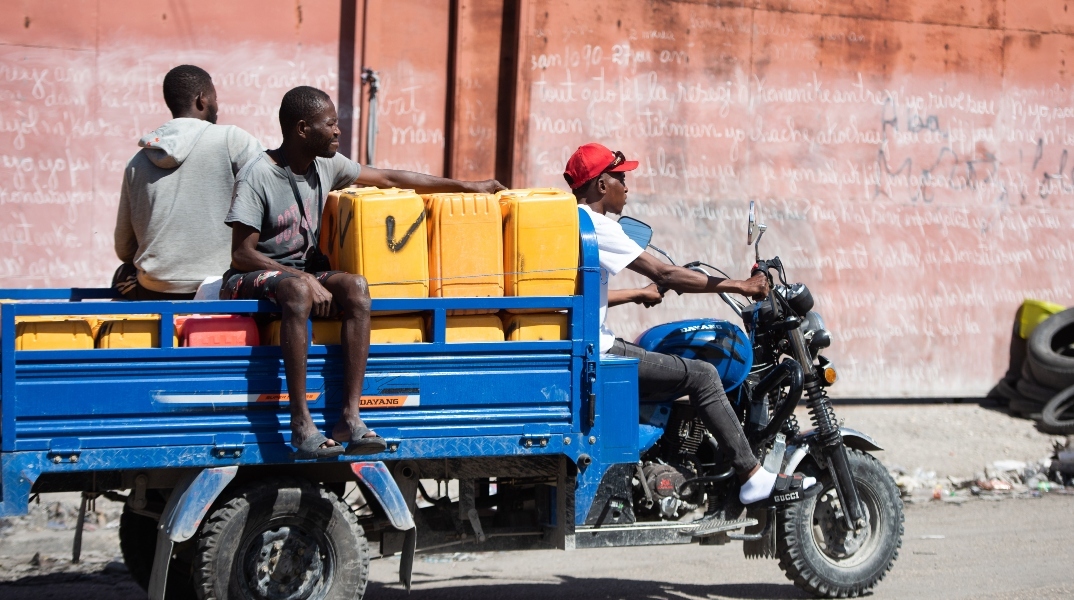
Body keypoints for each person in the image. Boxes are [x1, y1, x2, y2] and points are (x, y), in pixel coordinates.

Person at [223, 85, 505, 459]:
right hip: (251, 277)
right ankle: (300, 422)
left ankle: (349, 417)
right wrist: (302, 278)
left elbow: (390, 178)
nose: (338, 131)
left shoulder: (326, 164)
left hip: (299, 277)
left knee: (356, 286)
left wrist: (468, 187)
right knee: (297, 290)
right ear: (303, 129)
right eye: (331, 124)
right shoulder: (258, 174)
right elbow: (242, 254)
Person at [564, 142, 815, 506]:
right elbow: (665, 271)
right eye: (621, 178)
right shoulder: (598, 226)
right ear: (602, 185)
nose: (627, 186)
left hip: (591, 345)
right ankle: (752, 476)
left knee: (652, 355)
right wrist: (740, 285)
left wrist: (636, 294)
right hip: (596, 353)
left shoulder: (573, 222)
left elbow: (585, 298)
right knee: (703, 376)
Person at [113, 65, 264, 300]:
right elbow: (272, 194)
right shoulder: (232, 140)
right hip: (221, 287)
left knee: (121, 279)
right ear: (202, 99)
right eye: (215, 98)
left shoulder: (137, 162)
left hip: (154, 290)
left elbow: (124, 248)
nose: (217, 106)